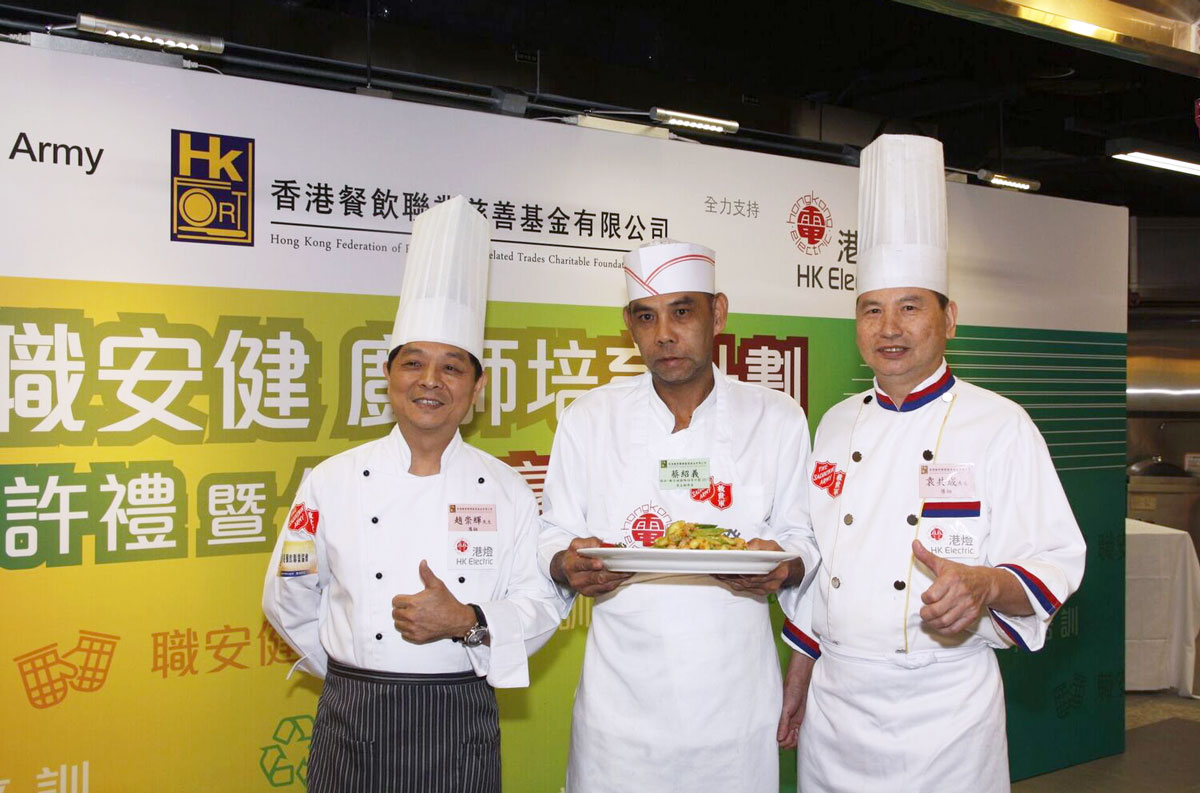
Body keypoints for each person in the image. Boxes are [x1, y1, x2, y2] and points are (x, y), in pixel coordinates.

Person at [776, 134, 1087, 792]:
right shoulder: (834, 425)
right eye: (872, 309)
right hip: (835, 714)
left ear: (949, 317)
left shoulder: (1000, 425)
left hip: (945, 720)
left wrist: (984, 584)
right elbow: (819, 564)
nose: (889, 328)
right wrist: (799, 674)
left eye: (910, 307)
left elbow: (1055, 556)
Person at [262, 195, 561, 793]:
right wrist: (354, 671)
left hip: (460, 719)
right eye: (414, 363)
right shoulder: (332, 479)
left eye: (453, 367)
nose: (430, 381)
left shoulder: (508, 489)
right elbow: (287, 595)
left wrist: (469, 622)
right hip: (353, 719)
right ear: (389, 375)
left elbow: (543, 605)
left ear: (477, 388)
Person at [538, 239, 819, 793]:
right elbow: (553, 530)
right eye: (647, 316)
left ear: (718, 312)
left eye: (682, 311)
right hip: (619, 713)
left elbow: (801, 536)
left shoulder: (777, 416)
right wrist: (564, 564)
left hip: (735, 708)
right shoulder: (590, 418)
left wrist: (784, 566)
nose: (664, 333)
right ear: (629, 324)